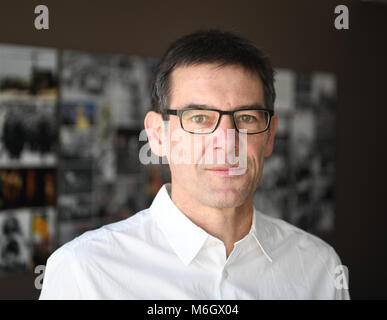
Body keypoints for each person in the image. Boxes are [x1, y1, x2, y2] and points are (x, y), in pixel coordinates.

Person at [40, 29, 350, 299]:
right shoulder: (83, 273)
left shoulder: (320, 268)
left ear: (269, 136)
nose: (228, 141)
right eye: (199, 118)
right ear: (157, 136)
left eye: (246, 118)